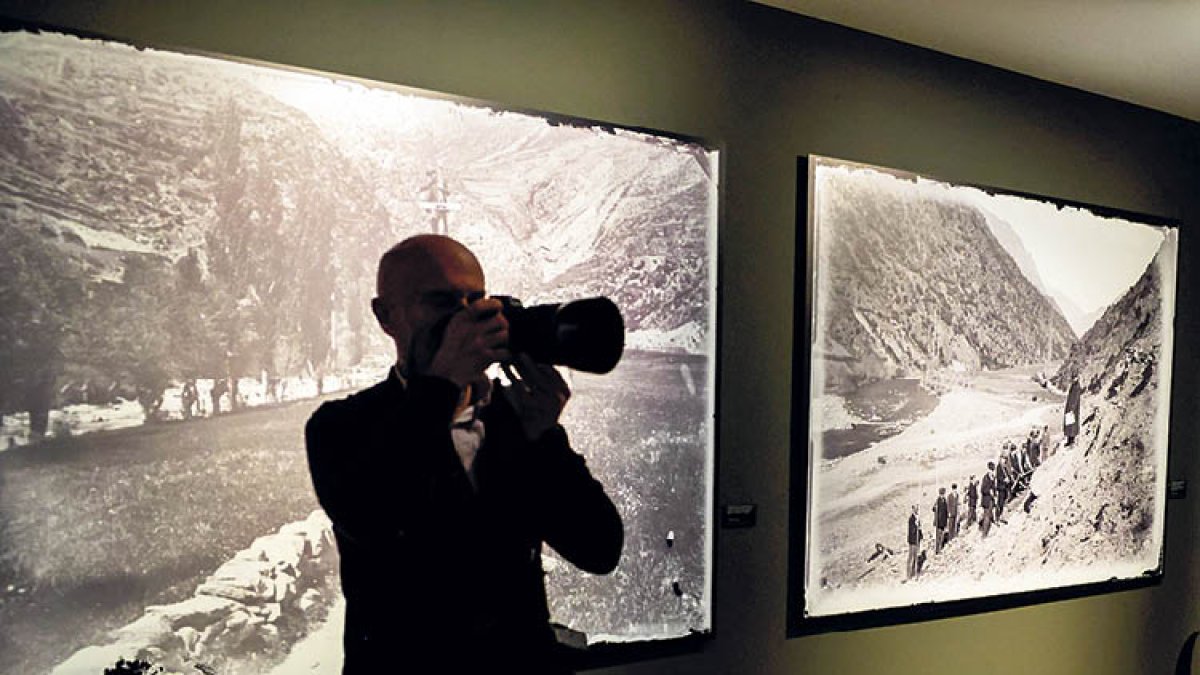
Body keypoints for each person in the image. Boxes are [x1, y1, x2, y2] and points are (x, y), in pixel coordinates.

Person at [305, 235, 624, 674]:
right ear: (386, 316)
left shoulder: (513, 422)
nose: (464, 320)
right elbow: (373, 515)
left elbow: (599, 548)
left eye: (476, 301)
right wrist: (440, 386)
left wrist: (545, 438)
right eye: (441, 303)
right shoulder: (341, 426)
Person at [980, 463, 996, 538]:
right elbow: (982, 490)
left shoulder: (992, 477)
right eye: (991, 470)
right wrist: (989, 491)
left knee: (989, 515)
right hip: (986, 501)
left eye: (993, 470)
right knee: (986, 517)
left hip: (991, 500)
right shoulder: (985, 478)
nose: (992, 472)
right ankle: (984, 535)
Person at [906, 505, 922, 580]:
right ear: (912, 509)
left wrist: (921, 536)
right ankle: (908, 575)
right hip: (912, 541)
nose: (916, 510)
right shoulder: (911, 519)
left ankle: (915, 574)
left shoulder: (917, 518)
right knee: (910, 558)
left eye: (917, 509)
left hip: (917, 540)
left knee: (916, 557)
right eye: (915, 509)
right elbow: (911, 531)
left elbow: (919, 529)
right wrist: (915, 526)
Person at [933, 488, 949, 553]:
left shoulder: (944, 500)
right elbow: (933, 509)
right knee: (938, 536)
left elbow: (946, 510)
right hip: (938, 521)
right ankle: (937, 550)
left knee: (942, 536)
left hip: (943, 521)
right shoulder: (938, 500)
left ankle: (940, 548)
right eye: (942, 494)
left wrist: (947, 518)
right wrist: (935, 508)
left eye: (943, 494)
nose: (943, 495)